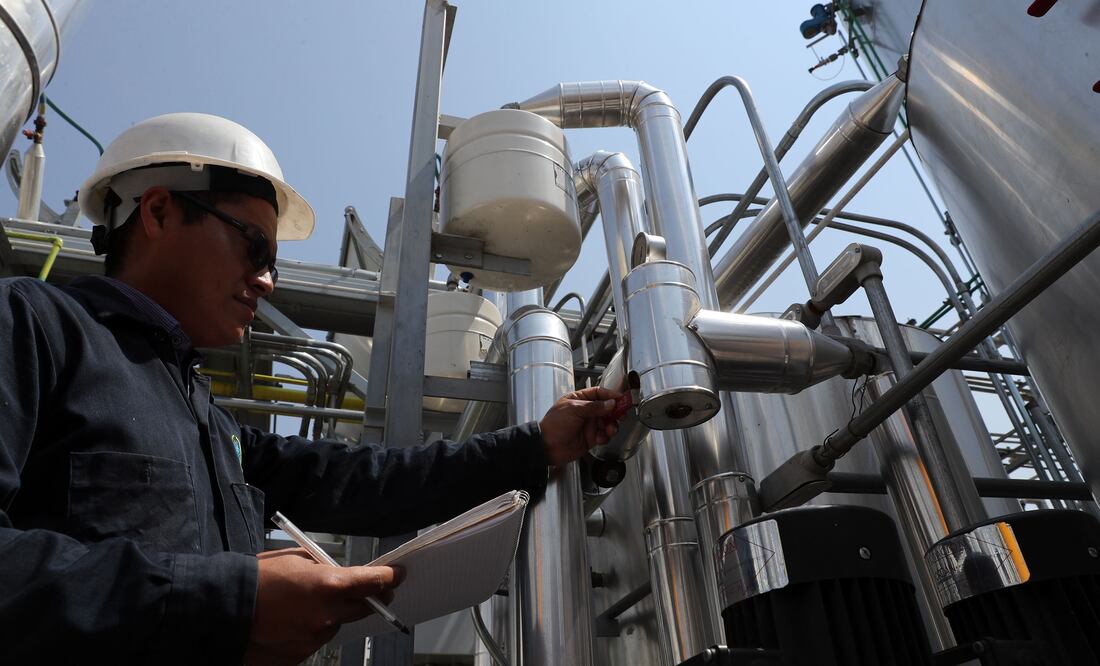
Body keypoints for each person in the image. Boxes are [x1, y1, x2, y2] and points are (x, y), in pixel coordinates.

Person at [0, 113, 620, 666]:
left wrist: (535, 446)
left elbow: (371, 480)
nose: (267, 280)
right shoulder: (30, 327)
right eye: (255, 246)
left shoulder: (211, 427)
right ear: (158, 211)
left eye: (275, 261)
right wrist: (226, 600)